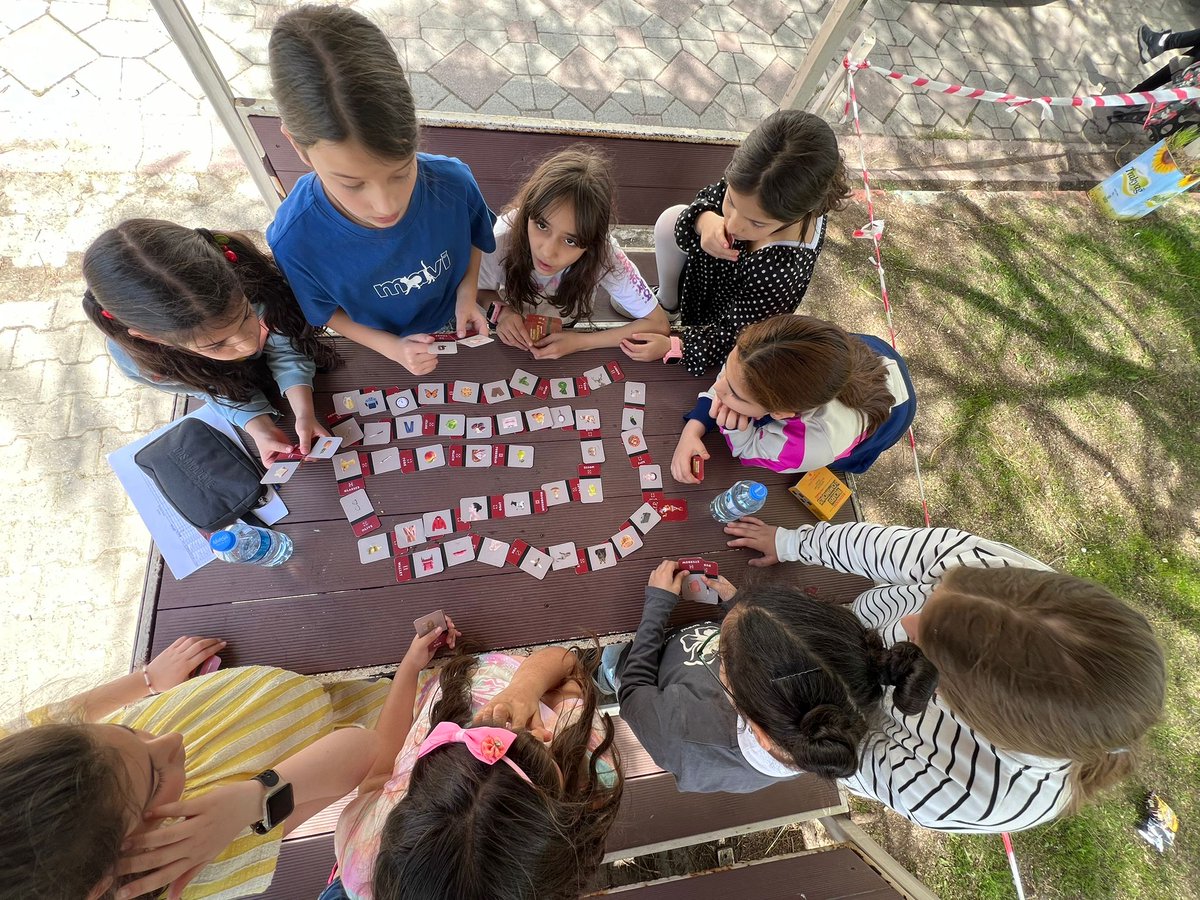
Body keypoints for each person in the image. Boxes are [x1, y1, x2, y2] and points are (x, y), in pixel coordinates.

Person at [722, 519, 1166, 832]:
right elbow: (881, 546)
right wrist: (791, 542)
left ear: (969, 711)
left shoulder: (969, 793)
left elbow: (838, 750)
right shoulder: (994, 575)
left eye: (926, 646)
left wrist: (776, 723)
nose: (907, 622)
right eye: (936, 596)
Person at [0, 636, 391, 900]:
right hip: (362, 718)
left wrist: (147, 680)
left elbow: (52, 719)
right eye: (156, 780)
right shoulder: (189, 852)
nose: (172, 741)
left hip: (293, 678)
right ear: (121, 860)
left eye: (122, 727)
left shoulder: (52, 764)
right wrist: (250, 799)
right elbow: (366, 750)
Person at [266, 5, 496, 377]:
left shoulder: (453, 182)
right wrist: (390, 347)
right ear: (297, 147)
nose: (386, 205)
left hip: (455, 317)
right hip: (383, 345)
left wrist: (467, 296)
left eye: (402, 172)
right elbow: (326, 311)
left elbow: (474, 237)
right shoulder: (295, 240)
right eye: (351, 183)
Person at [330, 622, 623, 900]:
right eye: (540, 744)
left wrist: (409, 667)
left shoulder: (363, 861)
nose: (539, 734)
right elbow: (568, 668)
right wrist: (526, 686)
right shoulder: (592, 772)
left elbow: (377, 776)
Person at [600, 561, 938, 794]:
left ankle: (601, 673)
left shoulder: (679, 737)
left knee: (612, 660)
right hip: (683, 657)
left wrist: (658, 605)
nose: (721, 652)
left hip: (644, 665)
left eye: (723, 658)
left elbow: (634, 688)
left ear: (756, 728)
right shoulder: (811, 727)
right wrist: (741, 607)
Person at [83, 219, 337, 463]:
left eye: (247, 315)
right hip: (234, 385)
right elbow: (210, 388)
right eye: (216, 345)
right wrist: (259, 428)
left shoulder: (245, 279)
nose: (248, 344)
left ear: (235, 275)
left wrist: (303, 409)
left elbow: (284, 334)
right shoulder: (145, 364)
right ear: (154, 339)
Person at [621, 110, 850, 375]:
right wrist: (705, 220)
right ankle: (668, 304)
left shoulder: (779, 273)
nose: (732, 225)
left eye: (756, 223)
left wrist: (675, 346)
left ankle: (679, 316)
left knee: (720, 329)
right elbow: (706, 200)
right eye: (730, 202)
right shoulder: (755, 181)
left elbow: (738, 337)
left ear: (797, 214)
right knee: (672, 218)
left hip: (725, 313)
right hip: (706, 278)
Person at [669, 314, 915, 485]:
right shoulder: (769, 351)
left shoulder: (812, 447)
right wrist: (694, 427)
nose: (718, 386)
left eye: (734, 393)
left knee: (844, 460)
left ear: (781, 413)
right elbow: (737, 373)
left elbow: (748, 449)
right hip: (874, 353)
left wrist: (732, 427)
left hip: (895, 414)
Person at [477, 145, 670, 359]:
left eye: (570, 240)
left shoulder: (605, 254)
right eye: (542, 225)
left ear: (591, 243)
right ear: (527, 213)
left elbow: (658, 323)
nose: (548, 252)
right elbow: (479, 290)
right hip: (508, 338)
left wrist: (581, 342)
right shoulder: (501, 239)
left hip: (569, 329)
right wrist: (502, 312)